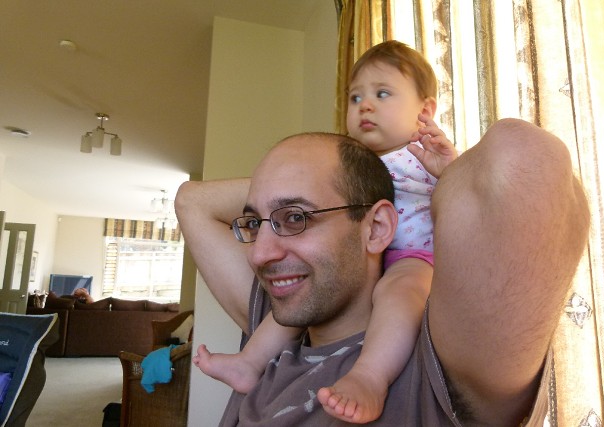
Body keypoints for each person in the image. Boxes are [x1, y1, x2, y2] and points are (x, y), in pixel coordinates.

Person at [176, 125, 590, 425]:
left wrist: (412, 180)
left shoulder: (442, 366)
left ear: (376, 228)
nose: (260, 254)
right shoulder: (273, 329)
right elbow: (191, 200)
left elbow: (523, 158)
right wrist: (301, 181)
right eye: (255, 222)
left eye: (296, 217)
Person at [188, 40, 457, 424]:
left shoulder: (425, 156)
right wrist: (303, 173)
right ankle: (250, 361)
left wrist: (451, 170)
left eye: (382, 94)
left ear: (425, 110)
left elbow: (472, 204)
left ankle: (370, 376)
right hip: (362, 261)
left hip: (413, 256)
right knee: (294, 302)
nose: (365, 105)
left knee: (400, 293)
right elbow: (191, 199)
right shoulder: (354, 163)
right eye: (355, 97)